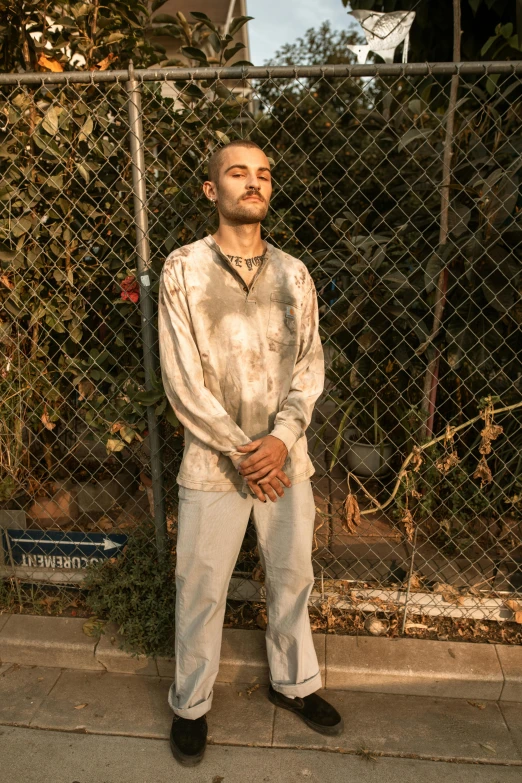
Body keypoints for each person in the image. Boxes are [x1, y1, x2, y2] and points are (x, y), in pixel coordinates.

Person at [158, 139, 343, 767]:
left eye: (263, 174)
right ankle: (191, 704)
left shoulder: (295, 274)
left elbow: (310, 369)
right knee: (201, 585)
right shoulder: (182, 268)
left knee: (292, 577)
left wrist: (279, 442)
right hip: (215, 463)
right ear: (212, 189)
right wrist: (245, 450)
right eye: (239, 173)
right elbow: (182, 380)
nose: (254, 183)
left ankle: (294, 684)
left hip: (285, 461)